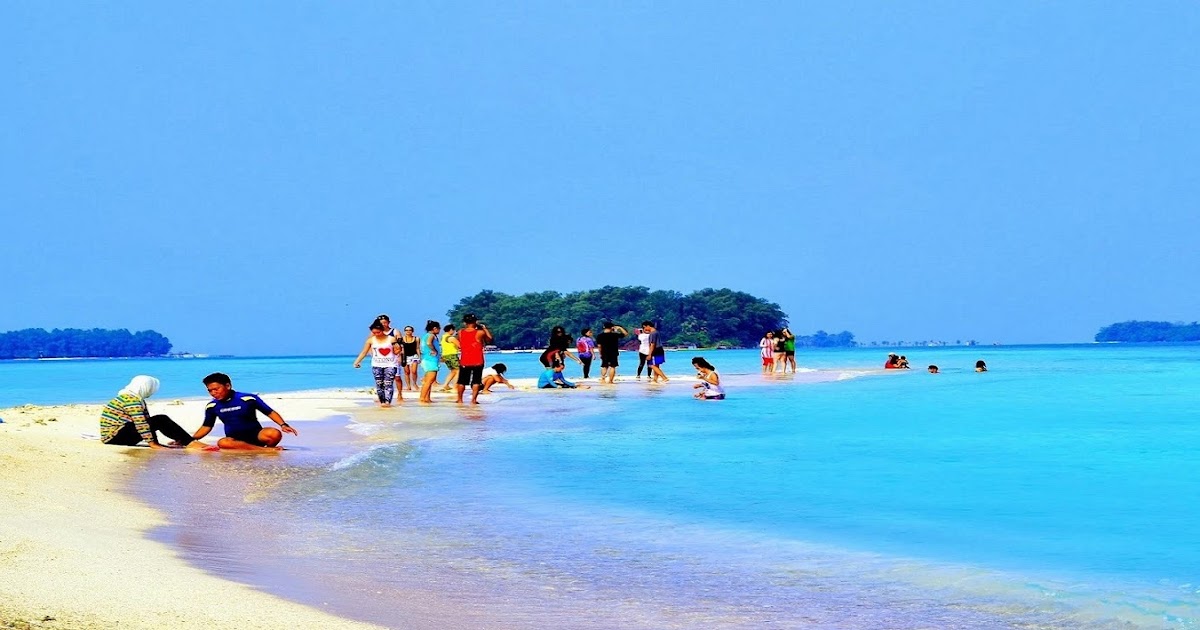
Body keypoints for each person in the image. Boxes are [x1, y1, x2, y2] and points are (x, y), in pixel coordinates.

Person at [190, 372, 297, 451]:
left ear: (227, 386)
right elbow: (206, 426)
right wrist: (189, 440)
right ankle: (264, 450)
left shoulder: (248, 398)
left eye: (216, 389)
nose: (213, 393)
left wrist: (283, 424)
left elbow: (269, 412)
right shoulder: (212, 406)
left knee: (274, 433)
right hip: (235, 440)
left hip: (256, 436)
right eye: (210, 390)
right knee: (222, 442)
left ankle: (258, 449)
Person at [100, 375, 212, 450]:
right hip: (114, 438)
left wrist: (155, 442)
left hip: (119, 435)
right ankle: (190, 442)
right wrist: (153, 444)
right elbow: (141, 424)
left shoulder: (133, 398)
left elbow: (147, 423)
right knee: (160, 419)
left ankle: (183, 440)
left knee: (158, 420)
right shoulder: (130, 399)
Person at [352, 321, 401, 407]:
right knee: (379, 383)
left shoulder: (391, 339)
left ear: (382, 330)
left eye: (378, 332)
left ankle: (387, 402)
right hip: (376, 365)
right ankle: (382, 402)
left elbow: (398, 349)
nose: (376, 334)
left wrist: (398, 350)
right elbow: (364, 352)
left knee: (388, 383)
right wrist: (357, 361)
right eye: (374, 333)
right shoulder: (371, 340)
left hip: (390, 364)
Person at [456, 314, 493, 405]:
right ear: (475, 322)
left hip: (465, 360)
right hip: (477, 360)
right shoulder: (480, 332)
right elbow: (489, 339)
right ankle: (473, 400)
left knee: (461, 381)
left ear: (464, 323)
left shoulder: (460, 332)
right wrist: (484, 328)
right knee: (476, 381)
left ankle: (460, 399)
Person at [377, 314, 404, 397]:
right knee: (381, 379)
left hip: (394, 357)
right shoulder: (376, 332)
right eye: (381, 323)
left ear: (389, 322)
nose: (383, 324)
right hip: (381, 358)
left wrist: (401, 356)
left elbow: (401, 345)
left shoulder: (395, 331)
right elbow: (371, 343)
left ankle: (399, 393)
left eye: (385, 322)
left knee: (397, 377)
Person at [419, 320, 441, 403]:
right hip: (430, 360)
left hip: (427, 359)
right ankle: (422, 398)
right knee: (430, 380)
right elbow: (429, 343)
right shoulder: (431, 335)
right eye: (439, 328)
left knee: (428, 380)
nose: (439, 330)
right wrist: (434, 350)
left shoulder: (426, 335)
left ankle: (427, 398)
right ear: (435, 328)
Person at [439, 323, 461, 393]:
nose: (454, 332)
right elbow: (460, 345)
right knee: (458, 371)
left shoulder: (443, 337)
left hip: (445, 355)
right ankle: (455, 386)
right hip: (452, 355)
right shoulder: (451, 338)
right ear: (451, 330)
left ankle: (445, 385)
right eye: (454, 330)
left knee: (453, 371)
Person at [399, 325, 421, 392]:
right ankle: (408, 386)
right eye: (406, 330)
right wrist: (400, 358)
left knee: (414, 371)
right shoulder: (401, 339)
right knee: (407, 372)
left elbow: (417, 348)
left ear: (412, 331)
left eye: (410, 330)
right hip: (405, 356)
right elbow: (400, 349)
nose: (408, 331)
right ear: (404, 331)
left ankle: (414, 383)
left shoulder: (416, 338)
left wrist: (419, 357)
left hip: (414, 356)